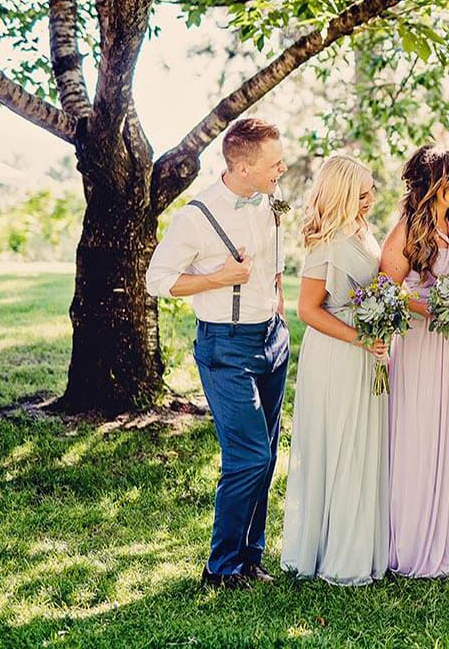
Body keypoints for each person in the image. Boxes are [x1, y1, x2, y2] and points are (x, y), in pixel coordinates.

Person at [145, 117, 290, 590]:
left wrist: (279, 313)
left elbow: (272, 268)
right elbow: (157, 279)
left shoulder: (269, 203)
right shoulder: (196, 216)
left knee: (266, 457)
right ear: (243, 167)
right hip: (225, 346)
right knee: (247, 456)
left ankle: (250, 559)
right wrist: (217, 278)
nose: (282, 168)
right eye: (274, 163)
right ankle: (219, 568)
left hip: (272, 339)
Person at [279, 155, 390, 586]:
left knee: (363, 446)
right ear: (343, 194)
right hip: (337, 353)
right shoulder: (326, 241)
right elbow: (307, 310)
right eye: (362, 194)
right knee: (341, 445)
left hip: (367, 350)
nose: (370, 200)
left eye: (371, 192)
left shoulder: (364, 231)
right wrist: (358, 337)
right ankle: (335, 554)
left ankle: (360, 544)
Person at [379, 146, 449, 578]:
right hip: (420, 344)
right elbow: (387, 288)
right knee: (420, 434)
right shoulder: (407, 230)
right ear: (436, 182)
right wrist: (432, 310)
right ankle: (416, 539)